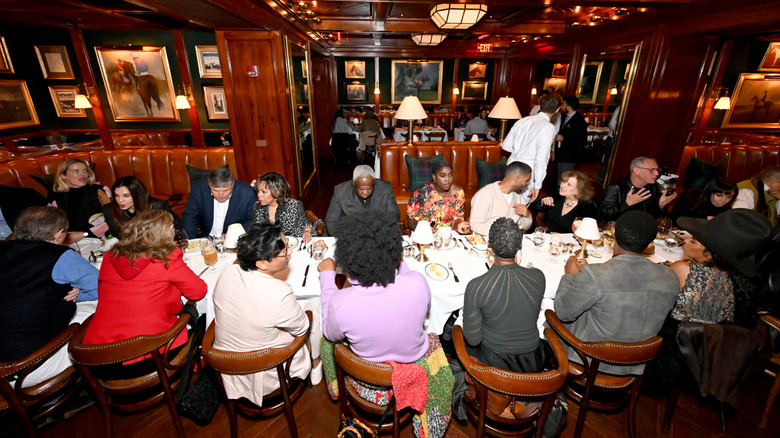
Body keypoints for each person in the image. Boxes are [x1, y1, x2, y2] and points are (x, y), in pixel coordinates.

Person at [553, 210, 679, 375]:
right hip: (636, 365)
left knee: (547, 313)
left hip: (590, 362)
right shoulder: (671, 277)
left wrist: (569, 275)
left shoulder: (595, 274)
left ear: (613, 232)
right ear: (650, 244)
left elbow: (563, 312)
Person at [83, 210, 206, 376]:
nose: (173, 232)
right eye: (170, 228)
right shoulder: (165, 258)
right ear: (161, 235)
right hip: (144, 356)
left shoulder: (110, 256)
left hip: (98, 356)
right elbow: (199, 291)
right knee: (198, 322)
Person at [213, 223, 323, 406]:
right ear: (262, 263)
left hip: (227, 368)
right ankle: (315, 365)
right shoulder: (279, 292)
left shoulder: (228, 271)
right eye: (283, 251)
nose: (290, 253)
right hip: (267, 373)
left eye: (287, 245)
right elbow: (303, 326)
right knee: (312, 308)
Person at [0, 207, 98, 387]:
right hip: (23, 369)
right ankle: (97, 378)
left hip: (5, 365)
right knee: (97, 307)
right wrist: (78, 294)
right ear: (59, 234)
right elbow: (100, 287)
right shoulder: (60, 256)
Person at [319, 210, 430, 363]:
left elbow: (329, 333)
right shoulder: (419, 283)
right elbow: (420, 300)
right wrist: (399, 261)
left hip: (367, 367)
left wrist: (327, 278)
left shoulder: (340, 303)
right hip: (415, 359)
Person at [463, 217, 546, 371]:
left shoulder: (476, 286)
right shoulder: (538, 277)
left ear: (489, 245)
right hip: (533, 363)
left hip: (495, 366)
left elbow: (473, 339)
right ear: (520, 245)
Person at [670, 210, 772, 326]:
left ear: (709, 255)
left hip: (678, 339)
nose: (686, 240)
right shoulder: (740, 285)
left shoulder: (684, 270)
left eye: (693, 241)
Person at [502, 93, 563, 203]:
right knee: (518, 207)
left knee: (506, 202)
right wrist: (538, 185)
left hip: (511, 167)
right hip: (527, 172)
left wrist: (520, 152)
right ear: (557, 110)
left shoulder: (523, 120)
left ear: (539, 106)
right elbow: (541, 159)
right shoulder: (548, 127)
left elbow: (506, 145)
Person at [47, 158, 112, 242]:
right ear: (63, 175)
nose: (83, 174)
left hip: (100, 238)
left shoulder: (100, 191)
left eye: (85, 171)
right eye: (76, 171)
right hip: (67, 241)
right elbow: (52, 223)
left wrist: (84, 234)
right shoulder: (54, 195)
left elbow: (115, 220)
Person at [182, 166, 255, 238]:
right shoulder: (198, 189)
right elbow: (190, 217)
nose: (221, 195)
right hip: (207, 236)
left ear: (233, 184)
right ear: (209, 185)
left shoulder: (248, 193)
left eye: (225, 190)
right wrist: (190, 243)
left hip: (234, 238)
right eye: (215, 191)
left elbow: (252, 220)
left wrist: (232, 235)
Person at [325, 165, 399, 235]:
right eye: (361, 189)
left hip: (379, 235)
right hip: (351, 237)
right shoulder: (340, 192)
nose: (365, 192)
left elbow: (394, 215)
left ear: (374, 183)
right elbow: (331, 223)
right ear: (353, 183)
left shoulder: (385, 188)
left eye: (369, 188)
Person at [598, 156, 677, 222]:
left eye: (657, 170)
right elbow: (603, 215)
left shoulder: (651, 188)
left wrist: (660, 206)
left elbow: (651, 216)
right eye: (652, 170)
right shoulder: (616, 187)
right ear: (637, 170)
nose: (657, 173)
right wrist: (626, 204)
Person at [406, 159, 471, 234]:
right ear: (434, 177)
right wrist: (422, 224)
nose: (447, 179)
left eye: (450, 175)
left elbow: (457, 218)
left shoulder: (458, 193)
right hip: (424, 235)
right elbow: (410, 222)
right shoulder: (422, 193)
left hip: (448, 235)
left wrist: (459, 225)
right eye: (442, 176)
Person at [469, 161, 533, 235]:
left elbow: (524, 227)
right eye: (527, 180)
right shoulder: (485, 194)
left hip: (510, 242)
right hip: (487, 241)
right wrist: (500, 234)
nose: (528, 183)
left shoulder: (519, 197)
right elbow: (474, 224)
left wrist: (527, 215)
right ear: (516, 180)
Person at [104, 176, 182, 237]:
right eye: (116, 195)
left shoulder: (157, 206)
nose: (120, 200)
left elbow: (177, 228)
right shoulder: (109, 210)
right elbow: (113, 235)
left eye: (126, 196)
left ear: (137, 195)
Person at [253, 172, 315, 243]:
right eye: (258, 191)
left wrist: (307, 231)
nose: (258, 195)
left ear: (276, 192)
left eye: (264, 192)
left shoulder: (294, 206)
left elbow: (306, 224)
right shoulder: (258, 207)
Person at [532, 170, 599, 233]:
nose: (562, 185)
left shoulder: (587, 207)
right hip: (546, 235)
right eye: (563, 181)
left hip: (569, 242)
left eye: (569, 184)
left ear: (579, 191)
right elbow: (536, 206)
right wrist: (542, 201)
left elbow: (588, 231)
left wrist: (561, 237)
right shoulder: (557, 195)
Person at [670, 177, 736, 226]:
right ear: (710, 192)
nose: (723, 200)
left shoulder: (727, 210)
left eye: (729, 197)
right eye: (719, 195)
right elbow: (675, 219)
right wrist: (704, 219)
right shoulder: (691, 196)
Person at [554, 96, 588, 184]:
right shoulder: (565, 117)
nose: (562, 107)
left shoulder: (579, 120)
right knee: (560, 178)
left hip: (570, 155)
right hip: (562, 154)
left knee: (564, 179)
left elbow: (582, 140)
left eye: (563, 105)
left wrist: (564, 138)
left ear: (568, 106)